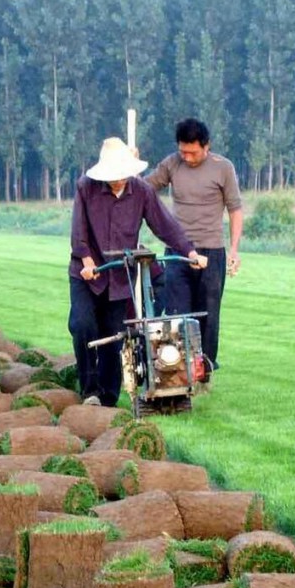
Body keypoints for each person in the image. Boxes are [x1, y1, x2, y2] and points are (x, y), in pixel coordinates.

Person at [68, 137, 204, 406]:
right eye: (113, 176)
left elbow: (166, 226)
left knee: (115, 336)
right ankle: (90, 390)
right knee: (83, 326)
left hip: (119, 276)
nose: (118, 180)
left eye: (122, 175)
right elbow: (78, 230)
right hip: (87, 274)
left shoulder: (142, 192)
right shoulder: (86, 188)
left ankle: (107, 398)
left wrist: (190, 252)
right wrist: (86, 260)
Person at [146, 118, 242, 376]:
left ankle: (204, 371)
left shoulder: (223, 168)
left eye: (193, 152)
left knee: (208, 317)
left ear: (206, 146)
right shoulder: (171, 164)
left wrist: (234, 250)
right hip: (178, 252)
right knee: (178, 316)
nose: (187, 157)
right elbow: (144, 188)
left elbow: (235, 209)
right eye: (183, 151)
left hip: (211, 253)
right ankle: (176, 370)